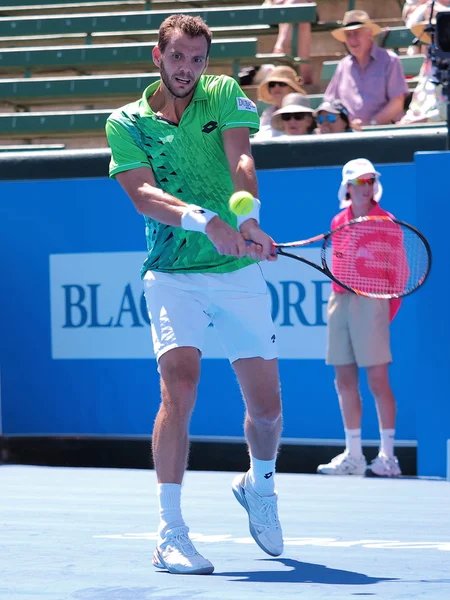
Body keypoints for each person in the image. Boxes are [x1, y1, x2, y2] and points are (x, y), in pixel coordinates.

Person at [105, 14, 284, 576]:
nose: (188, 69)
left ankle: (260, 484)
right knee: (179, 385)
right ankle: (170, 532)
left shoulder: (223, 93)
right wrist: (207, 221)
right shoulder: (125, 122)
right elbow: (143, 196)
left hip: (235, 273)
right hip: (172, 272)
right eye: (178, 57)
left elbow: (242, 161)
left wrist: (247, 217)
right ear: (157, 56)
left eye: (197, 59)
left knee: (267, 411)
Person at [317, 158, 403, 478]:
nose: (365, 187)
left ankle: (387, 457)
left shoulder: (388, 222)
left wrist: (383, 313)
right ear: (348, 188)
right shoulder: (338, 219)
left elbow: (400, 275)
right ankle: (353, 455)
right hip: (339, 301)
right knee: (343, 379)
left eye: (370, 181)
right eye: (359, 182)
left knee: (378, 380)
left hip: (373, 303)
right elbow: (338, 266)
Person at [324, 10, 409, 126]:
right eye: (348, 35)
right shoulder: (343, 66)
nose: (352, 40)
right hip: (349, 134)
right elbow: (330, 102)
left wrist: (371, 124)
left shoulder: (389, 61)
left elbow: (397, 103)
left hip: (383, 132)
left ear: (369, 34)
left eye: (356, 33)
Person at [397, 8, 450, 125]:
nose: (435, 36)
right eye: (431, 32)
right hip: (422, 129)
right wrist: (407, 119)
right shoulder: (429, 62)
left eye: (439, 30)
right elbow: (417, 100)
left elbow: (445, 112)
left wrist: (421, 120)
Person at [262, 0, 315, 84]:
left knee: (297, 7)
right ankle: (305, 71)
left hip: (301, 7)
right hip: (277, 8)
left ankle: (280, 49)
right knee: (297, 8)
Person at [254, 64, 306, 139]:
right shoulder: (266, 114)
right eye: (272, 84)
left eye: (282, 84)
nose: (276, 87)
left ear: (293, 88)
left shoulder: (303, 112)